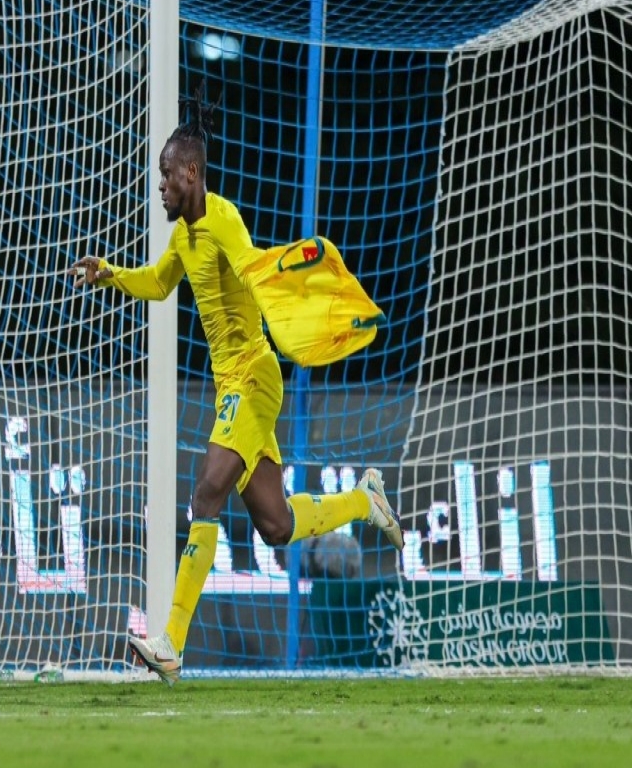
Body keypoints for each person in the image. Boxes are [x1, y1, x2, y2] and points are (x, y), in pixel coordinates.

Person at [71, 86, 402, 686]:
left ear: (191, 173)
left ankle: (170, 642)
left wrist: (297, 275)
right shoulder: (184, 238)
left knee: (205, 494)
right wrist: (110, 274)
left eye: (167, 175)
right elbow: (158, 284)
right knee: (275, 525)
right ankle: (363, 500)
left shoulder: (222, 219)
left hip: (251, 375)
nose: (162, 186)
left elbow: (254, 267)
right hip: (238, 383)